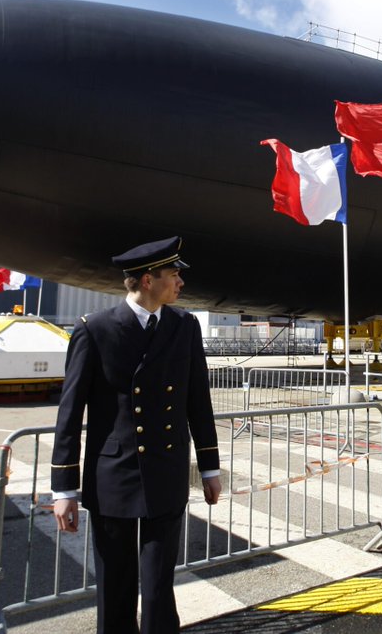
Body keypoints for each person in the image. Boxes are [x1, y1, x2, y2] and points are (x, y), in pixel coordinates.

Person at [50, 236, 221, 634]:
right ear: (148, 280)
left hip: (166, 469)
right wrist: (64, 490)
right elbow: (70, 413)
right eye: (173, 274)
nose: (180, 282)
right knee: (116, 583)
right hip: (114, 474)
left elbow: (199, 401)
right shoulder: (95, 330)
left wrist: (210, 468)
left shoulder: (184, 326)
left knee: (160, 583)